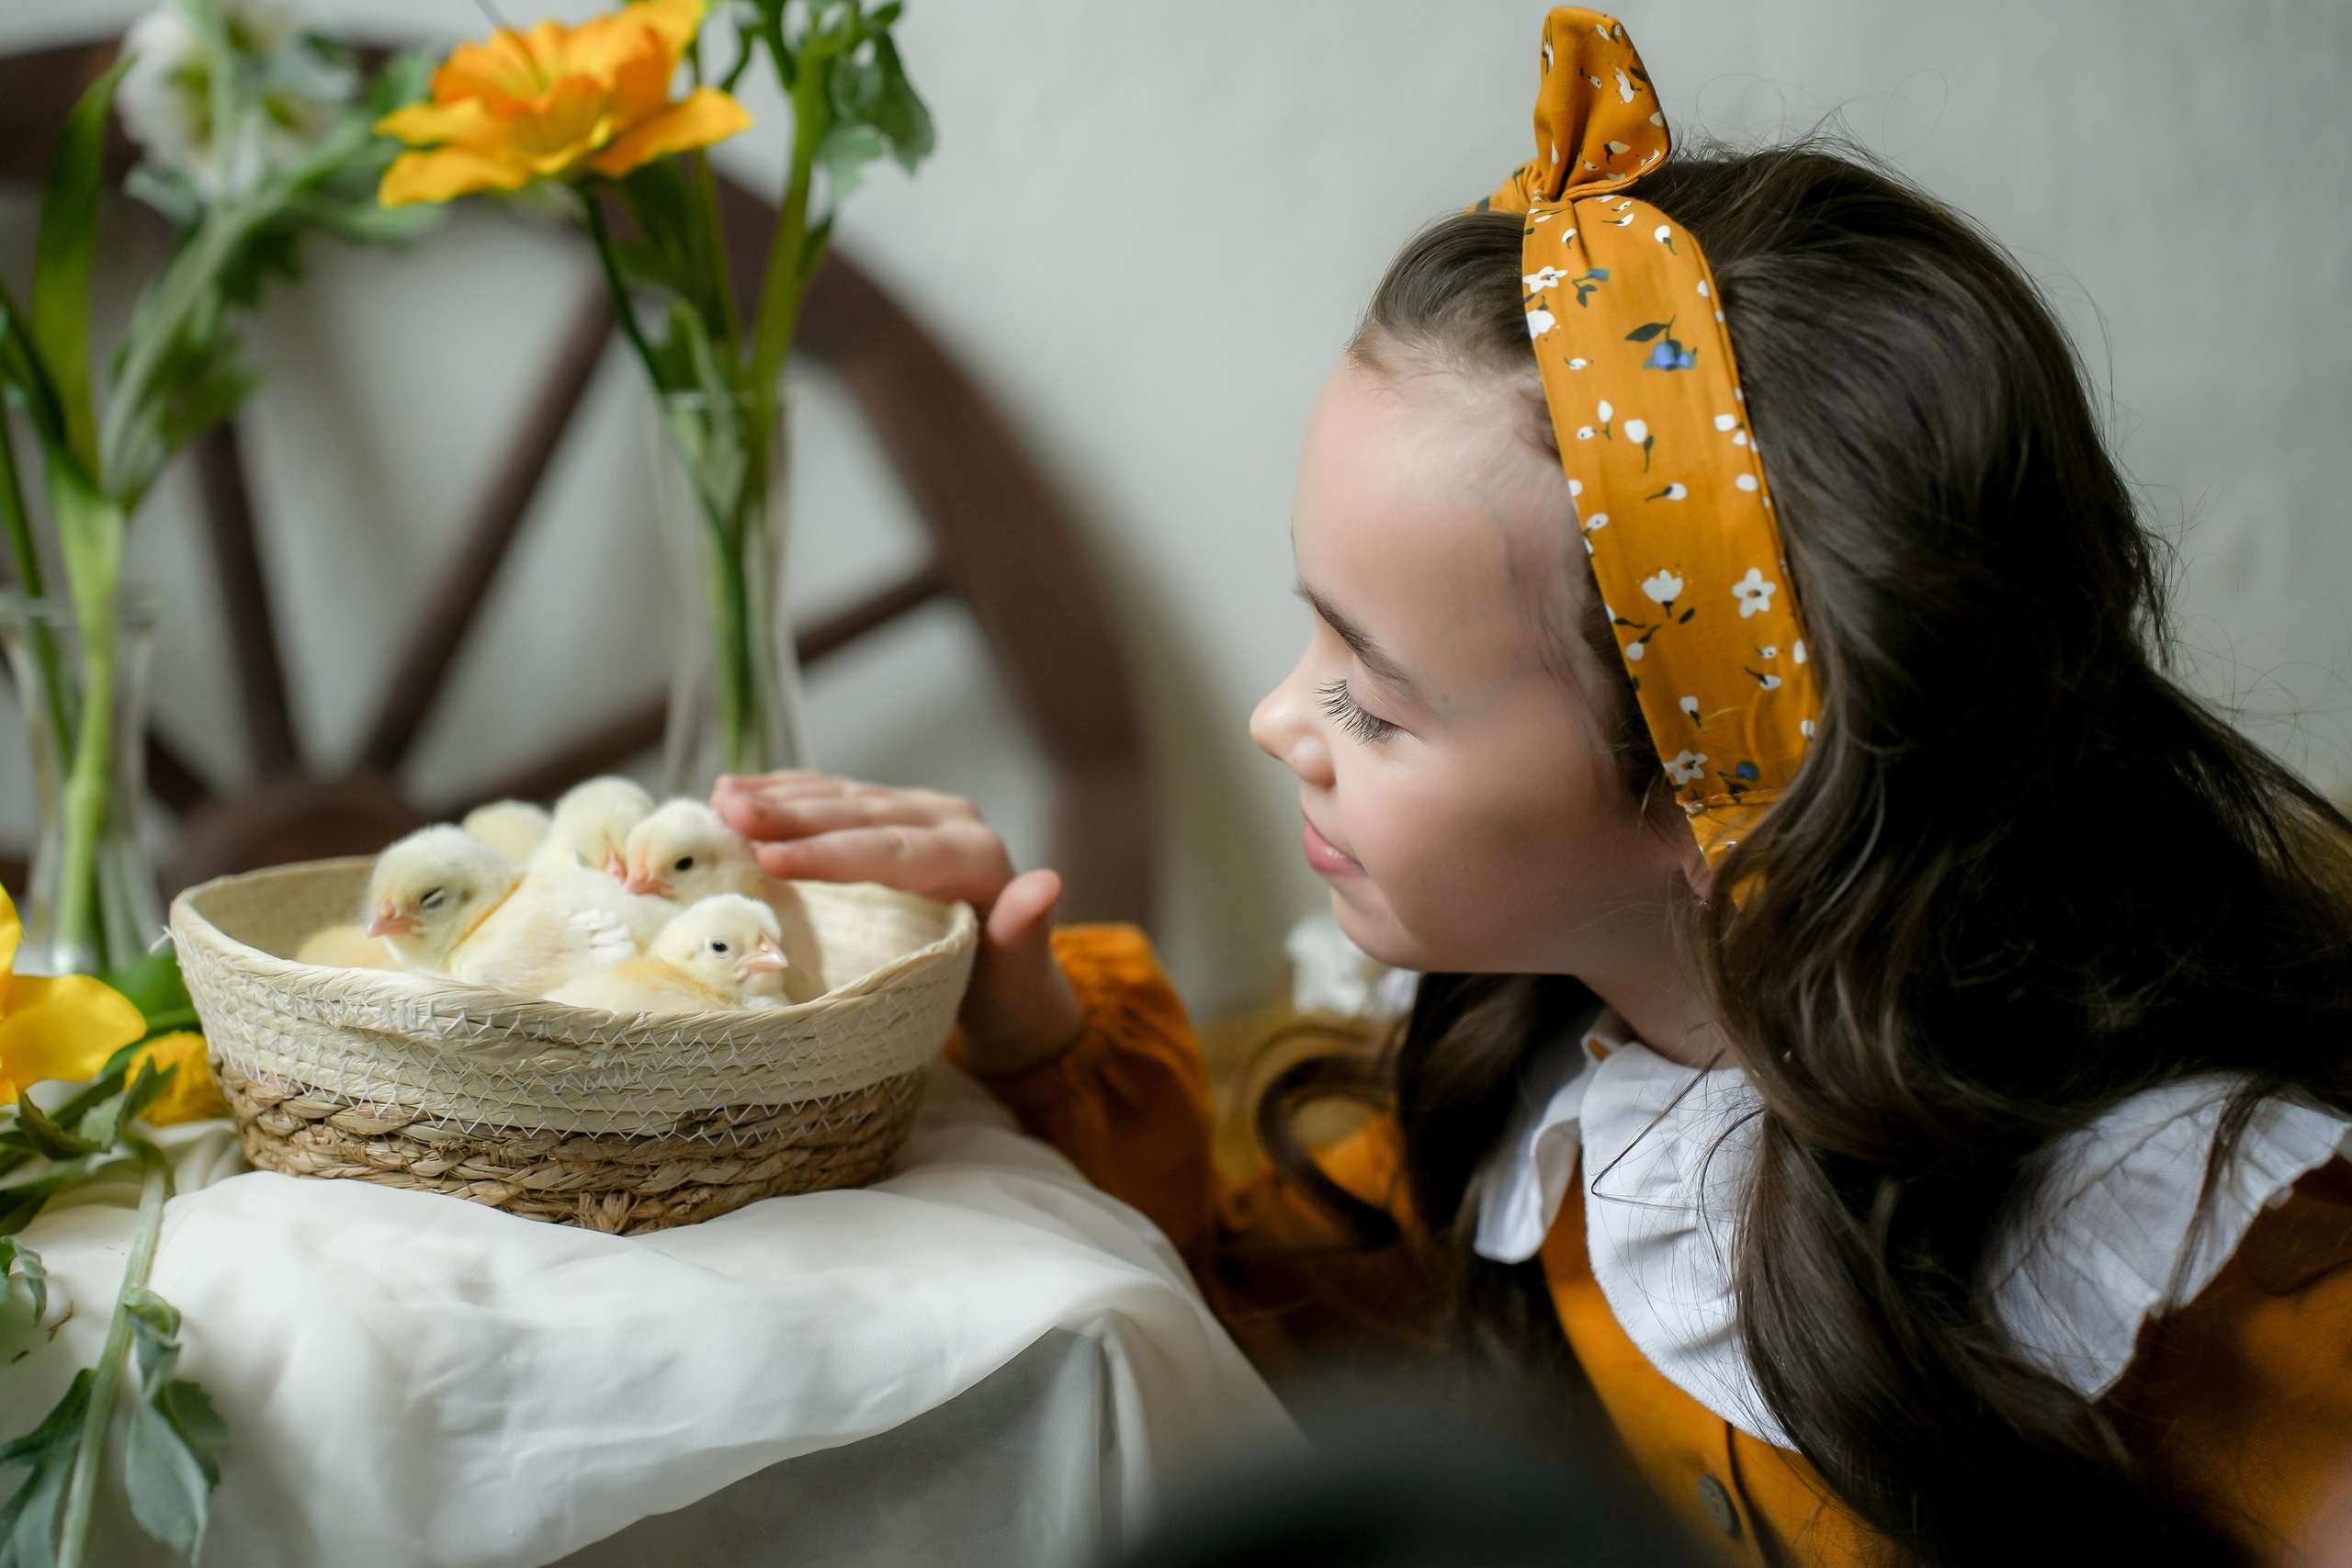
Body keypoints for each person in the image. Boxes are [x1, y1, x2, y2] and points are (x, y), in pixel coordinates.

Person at [712, 9, 2352, 1563]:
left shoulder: (2199, 1274)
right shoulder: (1554, 1093)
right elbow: (1279, 1329)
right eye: (1312, 637)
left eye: (1376, 698)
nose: (1284, 720)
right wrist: (1044, 1035)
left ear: (1732, 806)